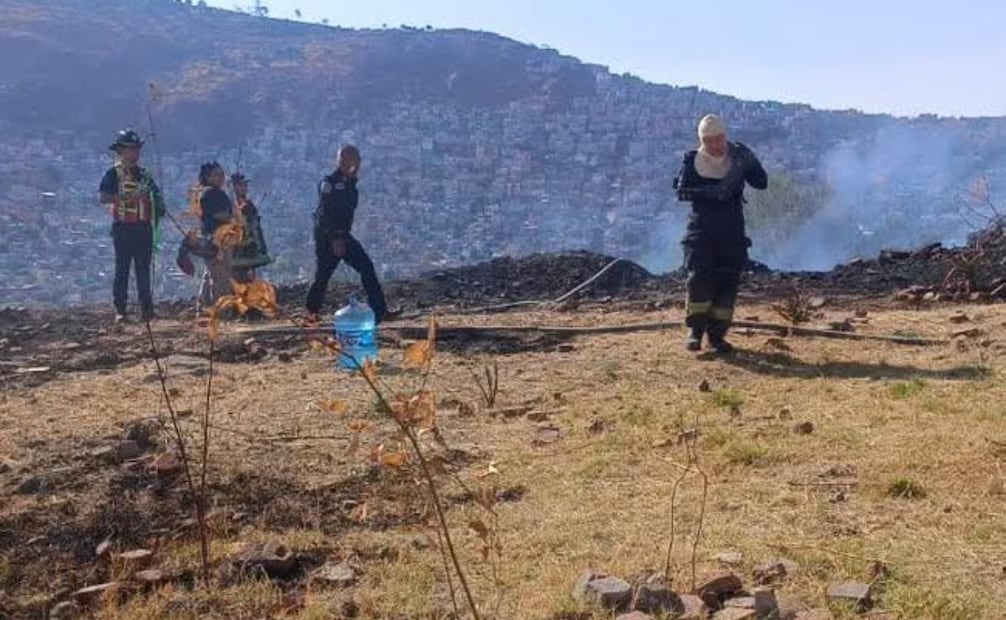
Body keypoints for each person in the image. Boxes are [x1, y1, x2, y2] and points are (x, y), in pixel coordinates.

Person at [674, 114, 768, 353]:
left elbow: (761, 182)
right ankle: (695, 331)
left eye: (719, 139)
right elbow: (682, 191)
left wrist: (751, 161)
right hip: (701, 231)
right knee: (699, 281)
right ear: (702, 141)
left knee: (727, 283)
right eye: (710, 140)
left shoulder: (737, 158)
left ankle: (717, 335)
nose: (716, 145)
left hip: (731, 231)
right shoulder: (692, 161)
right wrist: (712, 192)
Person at [305, 145, 393, 324]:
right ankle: (310, 313)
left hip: (344, 235)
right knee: (323, 274)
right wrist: (335, 238)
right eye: (355, 160)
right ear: (344, 161)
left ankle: (379, 311)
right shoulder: (330, 183)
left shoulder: (349, 183)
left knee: (366, 267)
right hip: (328, 238)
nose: (358, 165)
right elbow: (325, 214)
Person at [98, 128, 166, 323]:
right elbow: (104, 197)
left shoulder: (145, 175)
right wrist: (127, 197)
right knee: (123, 269)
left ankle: (147, 309)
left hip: (144, 227)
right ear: (121, 151)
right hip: (123, 228)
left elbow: (156, 196)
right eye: (130, 149)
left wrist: (159, 205)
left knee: (143, 268)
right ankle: (121, 309)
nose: (135, 153)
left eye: (136, 149)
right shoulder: (113, 174)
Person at [193, 161, 234, 312]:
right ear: (207, 177)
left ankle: (204, 307)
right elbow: (221, 214)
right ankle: (222, 310)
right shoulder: (212, 194)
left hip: (210, 238)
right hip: (217, 238)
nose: (221, 178)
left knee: (211, 273)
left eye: (222, 174)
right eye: (216, 175)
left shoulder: (204, 193)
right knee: (221, 275)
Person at [228, 172, 273, 283]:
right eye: (241, 185)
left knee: (249, 277)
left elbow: (255, 226)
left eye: (245, 185)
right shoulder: (231, 206)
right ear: (234, 187)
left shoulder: (248, 204)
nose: (245, 188)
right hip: (237, 249)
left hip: (250, 248)